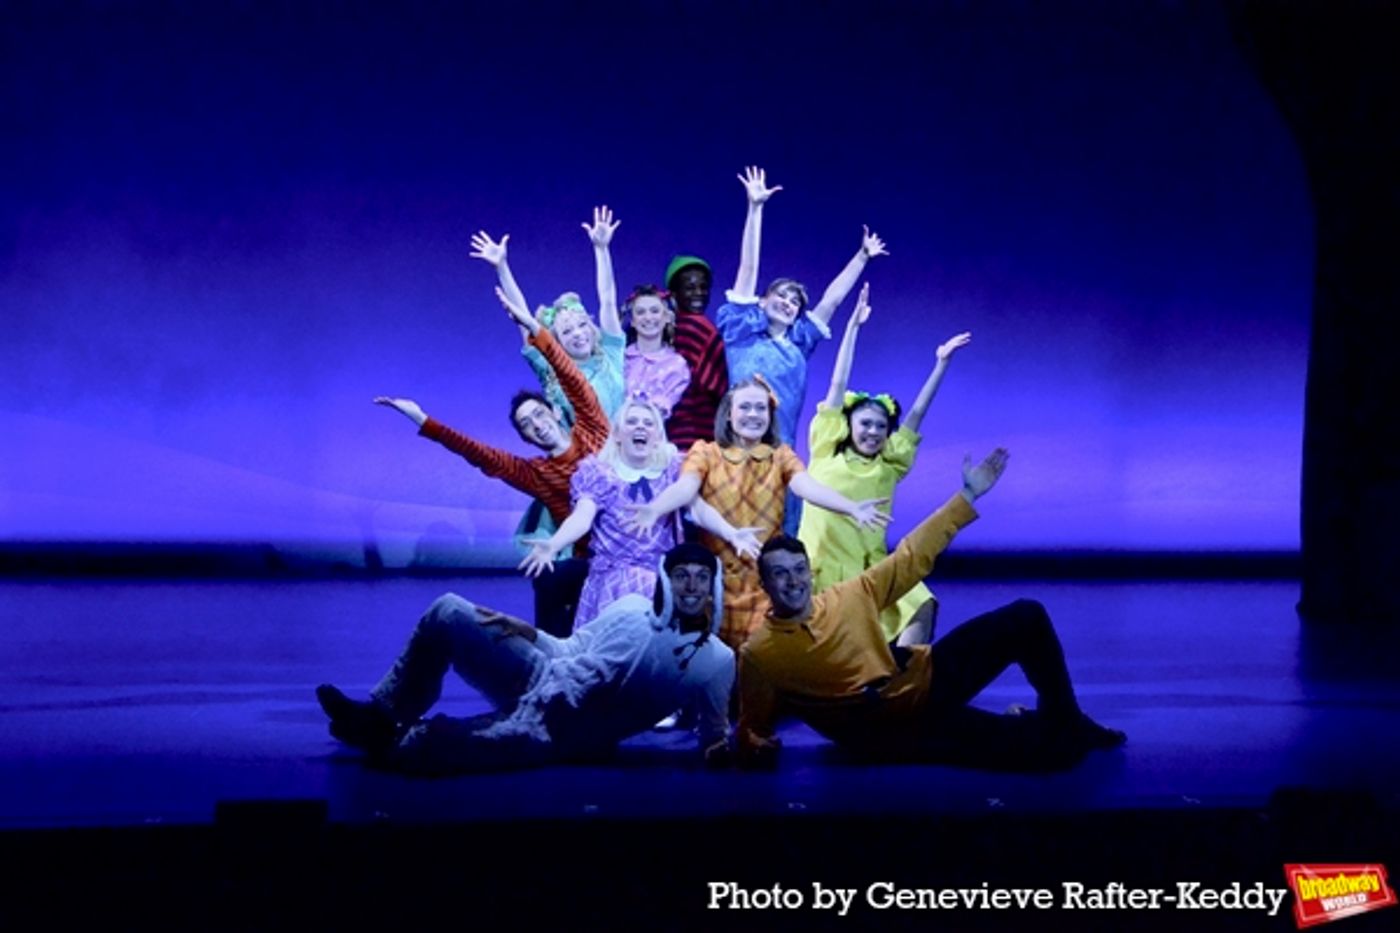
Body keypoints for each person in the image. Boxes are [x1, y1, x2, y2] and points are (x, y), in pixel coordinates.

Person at [736, 448, 1126, 772]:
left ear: (810, 572)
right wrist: (752, 745)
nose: (793, 581)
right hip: (891, 734)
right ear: (764, 584)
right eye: (780, 574)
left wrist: (967, 495)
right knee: (1048, 754)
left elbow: (911, 556)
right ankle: (1053, 726)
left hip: (926, 680)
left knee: (1026, 616)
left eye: (799, 570)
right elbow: (754, 724)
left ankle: (1067, 718)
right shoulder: (761, 654)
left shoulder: (847, 597)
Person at [315, 543, 734, 775]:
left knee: (423, 747)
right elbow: (570, 649)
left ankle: (388, 740)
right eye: (682, 576)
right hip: (539, 674)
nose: (691, 587)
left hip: (563, 731)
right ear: (666, 579)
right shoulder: (631, 608)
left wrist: (729, 750)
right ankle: (382, 715)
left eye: (702, 578)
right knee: (449, 610)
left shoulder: (716, 660)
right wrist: (528, 632)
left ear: (713, 586)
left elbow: (714, 735)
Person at [374, 286, 610, 635]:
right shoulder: (536, 473)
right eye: (527, 425)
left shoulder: (593, 430)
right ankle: (548, 654)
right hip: (590, 561)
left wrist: (535, 328)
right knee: (547, 576)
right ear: (526, 438)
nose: (537, 425)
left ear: (556, 412)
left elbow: (572, 380)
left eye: (539, 415)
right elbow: (477, 453)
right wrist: (422, 420)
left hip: (627, 550)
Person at [625, 377, 889, 649]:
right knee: (713, 659)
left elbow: (806, 486)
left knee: (761, 656)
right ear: (729, 414)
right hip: (716, 585)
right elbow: (687, 489)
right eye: (745, 407)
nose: (753, 414)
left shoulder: (780, 456)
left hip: (764, 585)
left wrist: (851, 507)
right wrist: (656, 508)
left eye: (761, 408)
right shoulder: (705, 453)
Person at [797, 282, 972, 646]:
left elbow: (917, 413)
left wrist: (941, 363)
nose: (873, 431)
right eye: (866, 423)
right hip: (822, 566)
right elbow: (837, 382)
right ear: (848, 424)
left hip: (870, 567)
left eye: (881, 426)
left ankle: (908, 676)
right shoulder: (826, 450)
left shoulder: (889, 466)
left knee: (921, 603)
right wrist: (853, 327)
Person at [518, 395, 731, 627]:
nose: (640, 427)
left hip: (658, 576)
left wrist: (732, 533)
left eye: (648, 423)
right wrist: (553, 544)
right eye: (632, 422)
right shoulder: (599, 473)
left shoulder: (672, 471)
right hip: (612, 579)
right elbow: (582, 517)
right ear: (618, 434)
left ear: (657, 436)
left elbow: (698, 510)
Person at [716, 166, 888, 448]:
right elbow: (748, 269)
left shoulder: (799, 343)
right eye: (781, 296)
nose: (787, 303)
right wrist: (755, 208)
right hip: (736, 446)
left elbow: (831, 301)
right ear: (762, 301)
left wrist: (862, 257)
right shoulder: (741, 333)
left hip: (780, 451)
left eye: (794, 302)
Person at [662, 255, 727, 451]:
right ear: (674, 294)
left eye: (703, 287)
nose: (698, 293)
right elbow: (720, 388)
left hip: (667, 434)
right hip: (698, 434)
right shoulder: (700, 328)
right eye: (690, 288)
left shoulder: (663, 330)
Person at [621, 286, 690, 418]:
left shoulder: (677, 365)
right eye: (640, 312)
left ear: (667, 317)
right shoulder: (620, 359)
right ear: (633, 321)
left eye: (654, 311)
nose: (648, 317)